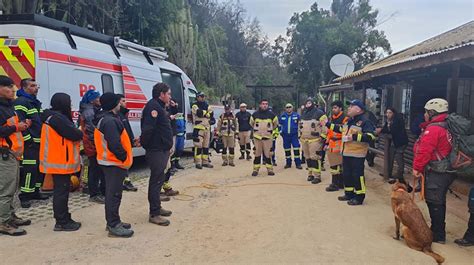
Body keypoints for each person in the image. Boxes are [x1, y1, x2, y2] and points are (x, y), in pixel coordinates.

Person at [413, 98, 454, 243]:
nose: (424, 115)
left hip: (438, 171)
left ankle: (438, 235)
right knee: (438, 200)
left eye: (426, 112)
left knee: (434, 201)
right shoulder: (445, 125)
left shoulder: (434, 129)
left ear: (432, 112)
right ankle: (437, 230)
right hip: (445, 170)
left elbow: (424, 151)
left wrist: (417, 168)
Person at [39, 93, 83, 231]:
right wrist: (79, 131)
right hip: (60, 161)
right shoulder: (57, 119)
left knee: (61, 191)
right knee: (61, 193)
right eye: (69, 102)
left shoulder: (51, 117)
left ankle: (64, 218)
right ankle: (62, 222)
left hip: (56, 160)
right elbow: (75, 134)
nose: (70, 104)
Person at [94, 93, 134, 237]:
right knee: (114, 194)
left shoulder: (107, 118)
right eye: (118, 102)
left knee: (114, 193)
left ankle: (114, 221)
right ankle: (113, 225)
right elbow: (114, 144)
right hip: (113, 162)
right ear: (113, 104)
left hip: (111, 162)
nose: (120, 104)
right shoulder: (109, 121)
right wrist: (123, 158)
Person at [326, 99, 376, 205]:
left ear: (358, 109)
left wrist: (353, 137)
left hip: (357, 154)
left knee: (357, 176)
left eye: (351, 107)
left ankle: (359, 197)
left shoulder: (365, 121)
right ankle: (348, 194)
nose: (348, 108)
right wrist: (328, 124)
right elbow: (341, 129)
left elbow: (371, 136)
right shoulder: (350, 120)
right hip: (346, 153)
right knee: (347, 174)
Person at [0, 75, 30, 236]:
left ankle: (9, 216)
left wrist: (21, 126)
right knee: (5, 190)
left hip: (13, 154)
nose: (13, 90)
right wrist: (16, 127)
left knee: (11, 188)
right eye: (9, 87)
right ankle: (3, 222)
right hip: (4, 154)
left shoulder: (8, 106)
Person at [140, 83, 174, 226]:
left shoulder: (159, 106)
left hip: (161, 149)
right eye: (169, 94)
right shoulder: (153, 107)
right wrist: (148, 145)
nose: (170, 96)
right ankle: (154, 214)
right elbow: (148, 130)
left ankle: (157, 207)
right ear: (162, 94)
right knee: (155, 181)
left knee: (159, 180)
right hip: (156, 150)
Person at [14, 78, 49, 208]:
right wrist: (28, 140)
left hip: (39, 142)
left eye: (37, 85)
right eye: (33, 86)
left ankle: (35, 191)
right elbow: (20, 123)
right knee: (30, 170)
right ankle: (25, 196)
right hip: (30, 143)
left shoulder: (34, 103)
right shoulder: (21, 102)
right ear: (24, 88)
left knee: (39, 169)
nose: (36, 88)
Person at [79, 89, 105, 204]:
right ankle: (94, 194)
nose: (100, 100)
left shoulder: (90, 109)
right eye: (98, 98)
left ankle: (94, 190)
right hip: (91, 144)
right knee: (94, 169)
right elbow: (92, 129)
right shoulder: (89, 112)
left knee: (94, 168)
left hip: (91, 143)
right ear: (92, 100)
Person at [376, 107, 409, 185]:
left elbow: (393, 130)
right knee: (390, 158)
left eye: (390, 113)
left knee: (399, 159)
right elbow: (385, 128)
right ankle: (388, 173)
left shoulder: (398, 119)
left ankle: (400, 176)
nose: (388, 114)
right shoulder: (389, 120)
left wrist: (381, 130)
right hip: (394, 142)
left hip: (401, 143)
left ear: (393, 113)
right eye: (387, 113)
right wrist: (381, 129)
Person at [300, 98, 328, 184]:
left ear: (313, 103)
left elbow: (325, 126)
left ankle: (317, 176)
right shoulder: (303, 113)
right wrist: (299, 135)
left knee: (315, 158)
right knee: (307, 158)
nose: (308, 104)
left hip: (315, 140)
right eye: (306, 103)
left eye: (309, 103)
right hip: (304, 140)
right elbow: (300, 125)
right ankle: (310, 174)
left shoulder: (319, 113)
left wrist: (323, 136)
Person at [250, 99, 279, 176]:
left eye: (266, 104)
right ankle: (255, 170)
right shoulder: (254, 115)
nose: (264, 105)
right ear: (260, 105)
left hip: (267, 138)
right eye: (263, 104)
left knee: (268, 154)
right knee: (257, 154)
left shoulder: (272, 115)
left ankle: (270, 170)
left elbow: (275, 125)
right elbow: (251, 124)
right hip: (257, 138)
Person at [117, 94, 138, 192]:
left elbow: (128, 129)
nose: (126, 103)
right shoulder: (118, 116)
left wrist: (132, 139)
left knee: (126, 164)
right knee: (123, 164)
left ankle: (125, 181)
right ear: (118, 103)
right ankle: (125, 182)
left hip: (127, 143)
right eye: (123, 101)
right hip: (122, 144)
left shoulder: (123, 114)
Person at [325, 100, 348, 192]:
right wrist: (326, 143)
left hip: (339, 143)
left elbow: (343, 130)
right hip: (331, 143)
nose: (333, 109)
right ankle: (338, 183)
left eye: (335, 108)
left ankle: (336, 184)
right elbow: (329, 132)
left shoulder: (344, 118)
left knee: (338, 165)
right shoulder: (332, 118)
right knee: (333, 164)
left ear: (340, 108)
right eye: (333, 108)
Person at [191, 92, 214, 169]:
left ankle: (205, 162)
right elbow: (199, 113)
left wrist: (206, 113)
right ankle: (198, 162)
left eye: (203, 96)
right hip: (198, 129)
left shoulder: (207, 105)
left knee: (206, 146)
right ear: (197, 97)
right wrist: (206, 113)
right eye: (201, 96)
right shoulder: (194, 105)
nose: (203, 98)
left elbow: (211, 114)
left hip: (207, 129)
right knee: (198, 146)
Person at [279, 103, 302, 169]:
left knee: (296, 149)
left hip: (294, 135)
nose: (288, 108)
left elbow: (300, 125)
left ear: (292, 108)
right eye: (287, 107)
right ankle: (288, 163)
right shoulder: (282, 116)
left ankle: (298, 164)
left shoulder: (297, 115)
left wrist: (300, 134)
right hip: (285, 136)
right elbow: (279, 125)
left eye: (290, 107)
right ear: (285, 108)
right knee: (287, 149)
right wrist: (281, 132)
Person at [169, 99, 185, 172]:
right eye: (171, 103)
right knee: (173, 151)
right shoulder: (170, 111)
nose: (172, 104)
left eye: (173, 103)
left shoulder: (179, 112)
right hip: (175, 134)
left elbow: (183, 122)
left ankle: (177, 163)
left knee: (180, 149)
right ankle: (172, 165)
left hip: (181, 135)